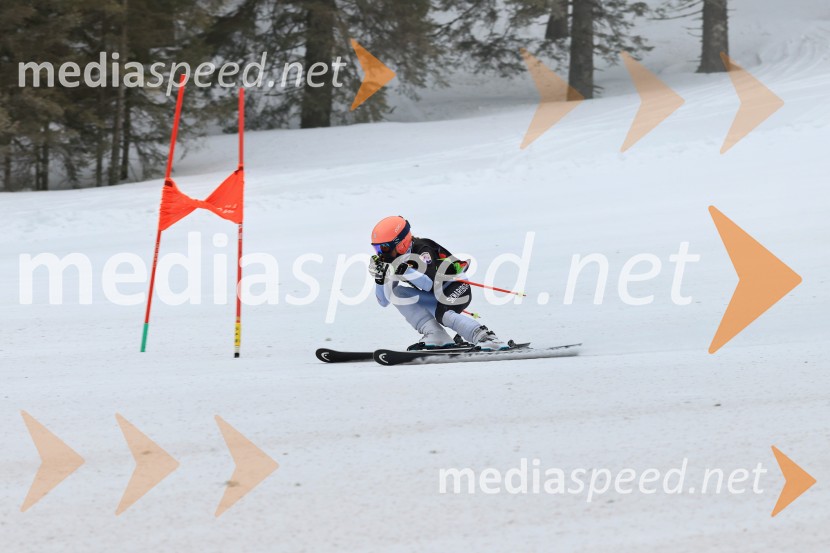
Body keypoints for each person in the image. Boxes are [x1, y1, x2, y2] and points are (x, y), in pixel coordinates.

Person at [368, 215, 507, 351]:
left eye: (384, 248)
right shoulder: (395, 261)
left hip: (456, 286)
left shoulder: (423, 249)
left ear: (401, 243)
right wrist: (381, 278)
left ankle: (485, 337)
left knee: (444, 314)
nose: (381, 254)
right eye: (377, 249)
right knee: (397, 293)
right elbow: (384, 301)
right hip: (435, 294)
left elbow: (429, 284)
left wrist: (403, 270)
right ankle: (437, 335)